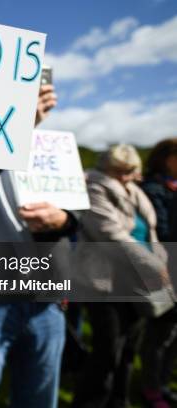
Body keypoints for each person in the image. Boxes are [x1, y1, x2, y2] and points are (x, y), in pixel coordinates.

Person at [0, 83, 77, 408]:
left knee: (38, 396)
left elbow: (74, 218)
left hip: (45, 300)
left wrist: (60, 220)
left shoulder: (50, 150)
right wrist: (18, 128)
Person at [73, 144, 169, 408]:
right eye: (119, 171)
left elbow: (150, 232)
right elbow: (110, 234)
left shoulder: (134, 191)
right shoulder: (94, 188)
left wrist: (159, 261)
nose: (125, 176)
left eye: (130, 171)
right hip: (105, 281)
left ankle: (119, 399)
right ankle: (91, 402)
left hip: (138, 280)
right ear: (106, 167)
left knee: (128, 348)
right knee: (107, 350)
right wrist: (154, 265)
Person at [139, 138, 177, 407]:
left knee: (172, 335)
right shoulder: (153, 189)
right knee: (159, 335)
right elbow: (161, 234)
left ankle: (161, 383)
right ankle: (151, 388)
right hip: (165, 271)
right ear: (166, 158)